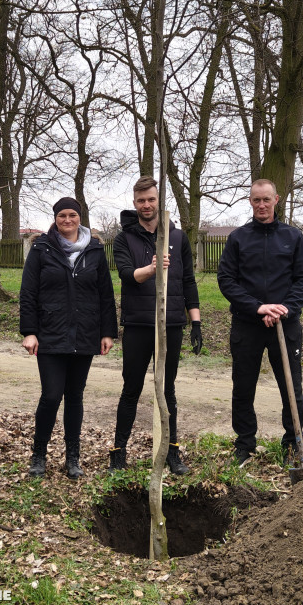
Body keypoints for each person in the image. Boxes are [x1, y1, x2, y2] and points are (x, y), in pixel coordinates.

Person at [217, 179, 303, 465]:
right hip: (247, 325)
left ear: (276, 200)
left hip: (286, 325)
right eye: (256, 200)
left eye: (266, 200)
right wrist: (259, 308)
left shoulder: (293, 237)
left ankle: (293, 443)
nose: (261, 205)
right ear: (250, 201)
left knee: (291, 387)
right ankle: (245, 445)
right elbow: (227, 281)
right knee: (243, 387)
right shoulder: (238, 238)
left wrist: (283, 309)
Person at [109, 176, 202, 475]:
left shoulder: (178, 237)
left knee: (168, 390)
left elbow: (188, 280)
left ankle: (171, 451)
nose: (146, 205)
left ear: (159, 201)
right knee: (131, 389)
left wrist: (195, 321)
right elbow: (125, 275)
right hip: (138, 324)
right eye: (140, 201)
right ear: (134, 203)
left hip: (172, 323)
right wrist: (150, 269)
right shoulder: (124, 238)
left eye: (151, 199)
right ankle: (118, 452)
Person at [19, 197, 118, 479]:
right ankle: (39, 454)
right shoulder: (41, 248)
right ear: (55, 218)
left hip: (84, 333)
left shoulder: (95, 250)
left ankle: (72, 457)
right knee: (51, 396)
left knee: (74, 396)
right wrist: (29, 331)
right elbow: (28, 293)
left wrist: (108, 332)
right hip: (50, 333)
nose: (67, 220)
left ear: (80, 217)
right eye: (62, 215)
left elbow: (105, 294)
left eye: (72, 215)